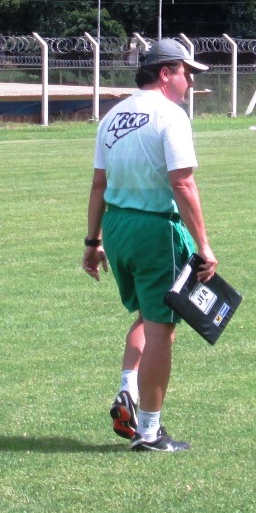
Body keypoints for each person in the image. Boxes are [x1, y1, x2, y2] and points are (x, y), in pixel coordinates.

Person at [82, 38, 217, 452]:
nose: (190, 82)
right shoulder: (170, 116)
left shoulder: (112, 116)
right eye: (186, 73)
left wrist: (92, 241)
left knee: (147, 314)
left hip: (117, 227)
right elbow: (182, 183)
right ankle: (149, 432)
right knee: (161, 328)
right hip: (154, 229)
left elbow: (99, 184)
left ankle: (129, 387)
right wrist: (204, 245)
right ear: (165, 73)